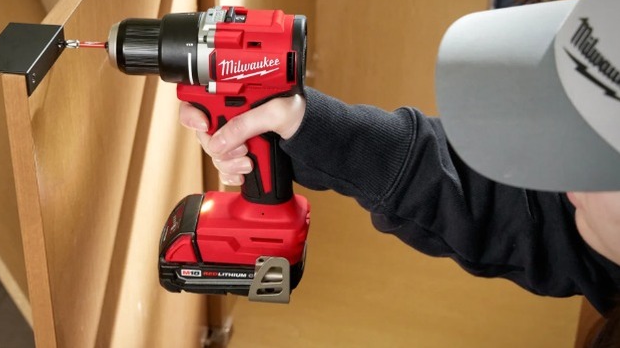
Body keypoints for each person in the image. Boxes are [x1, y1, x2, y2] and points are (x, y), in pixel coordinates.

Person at [179, 89, 620, 346]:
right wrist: (306, 129)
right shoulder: (591, 222)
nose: (565, 163)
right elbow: (500, 203)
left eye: (604, 158)